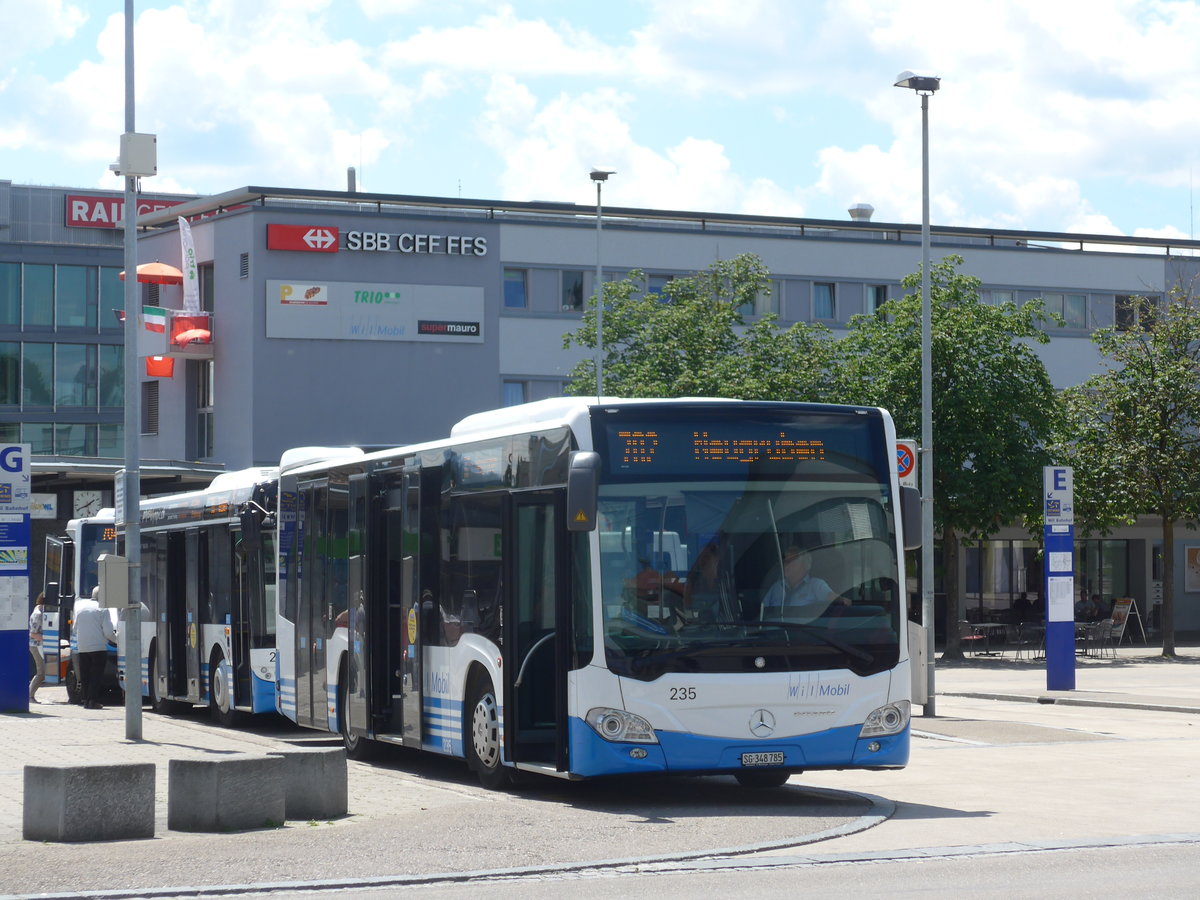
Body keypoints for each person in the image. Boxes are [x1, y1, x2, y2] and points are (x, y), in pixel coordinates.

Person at [760, 545, 850, 623]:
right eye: (785, 561)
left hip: (803, 635)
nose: (786, 565)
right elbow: (762, 612)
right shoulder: (777, 586)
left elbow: (842, 602)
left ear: (804, 565)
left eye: (791, 561)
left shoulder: (816, 585)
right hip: (772, 635)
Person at [74, 586, 116, 710]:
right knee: (96, 676)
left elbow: (75, 629)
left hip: (83, 647)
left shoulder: (81, 609)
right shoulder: (103, 609)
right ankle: (93, 701)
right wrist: (118, 641)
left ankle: (85, 700)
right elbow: (108, 632)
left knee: (85, 675)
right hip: (98, 648)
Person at [28, 593, 46, 704]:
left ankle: (30, 695)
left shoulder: (41, 612)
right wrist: (46, 638)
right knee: (41, 672)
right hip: (36, 645)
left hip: (38, 644)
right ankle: (29, 695)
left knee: (42, 672)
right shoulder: (38, 614)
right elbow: (33, 633)